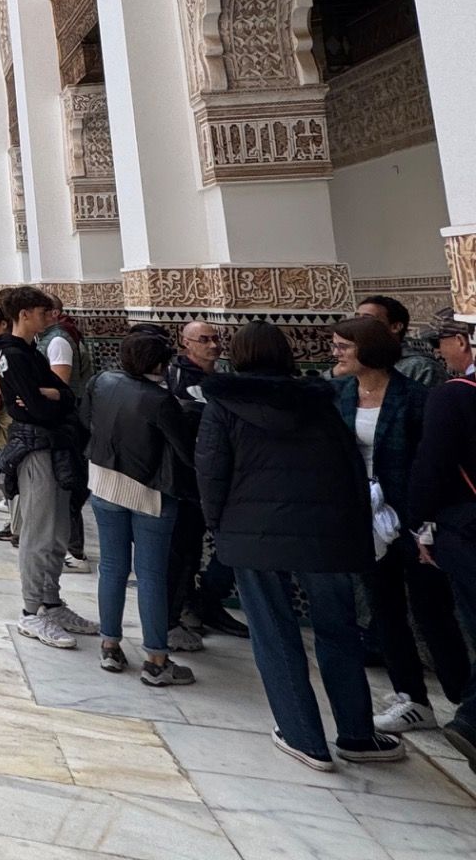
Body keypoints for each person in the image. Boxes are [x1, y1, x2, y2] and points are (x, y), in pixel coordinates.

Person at [198, 319, 405, 771]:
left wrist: (221, 529)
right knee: (338, 631)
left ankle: (303, 736)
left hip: (253, 536)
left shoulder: (225, 403)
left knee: (273, 634)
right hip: (325, 535)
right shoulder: (319, 401)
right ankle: (357, 734)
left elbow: (211, 473)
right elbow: (349, 467)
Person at [330, 314, 470, 735]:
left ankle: (464, 699)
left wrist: (424, 522)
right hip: (365, 516)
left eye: (343, 346)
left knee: (432, 609)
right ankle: (412, 697)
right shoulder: (339, 394)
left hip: (412, 517)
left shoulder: (415, 398)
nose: (335, 353)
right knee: (384, 608)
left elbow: (432, 463)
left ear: (367, 350)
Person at [86, 329, 196, 685]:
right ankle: (156, 659)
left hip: (104, 483)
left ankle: (110, 646)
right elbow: (184, 451)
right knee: (151, 575)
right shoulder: (158, 399)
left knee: (113, 567)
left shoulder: (103, 381)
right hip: (147, 493)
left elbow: (87, 420)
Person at [0, 286, 95, 648]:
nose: (49, 317)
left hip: (54, 445)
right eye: (42, 311)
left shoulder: (30, 352)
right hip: (35, 448)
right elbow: (34, 407)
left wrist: (55, 397)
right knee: (38, 531)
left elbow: (64, 394)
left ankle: (52, 601)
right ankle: (31, 611)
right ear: (24, 314)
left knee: (57, 528)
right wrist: (52, 399)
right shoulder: (13, 356)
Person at [411, 314, 476, 771]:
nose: (440, 352)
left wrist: (420, 524)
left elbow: (431, 467)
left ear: (463, 341)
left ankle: (472, 719)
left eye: (444, 342)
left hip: (466, 527)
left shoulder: (453, 397)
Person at [163, 320, 247, 649]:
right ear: (186, 344)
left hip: (219, 479)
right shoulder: (179, 381)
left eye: (216, 339)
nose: (213, 346)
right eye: (204, 340)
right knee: (184, 546)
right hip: (188, 481)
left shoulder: (220, 380)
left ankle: (203, 601)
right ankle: (183, 608)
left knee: (205, 545)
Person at [38, 301, 93, 572]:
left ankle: (74, 551)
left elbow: (59, 385)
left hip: (65, 423)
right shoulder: (51, 338)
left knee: (67, 484)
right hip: (62, 422)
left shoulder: (58, 341)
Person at [358, 294, 447, 388]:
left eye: (367, 319)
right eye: (357, 318)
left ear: (395, 327)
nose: (357, 324)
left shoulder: (421, 367)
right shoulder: (356, 362)